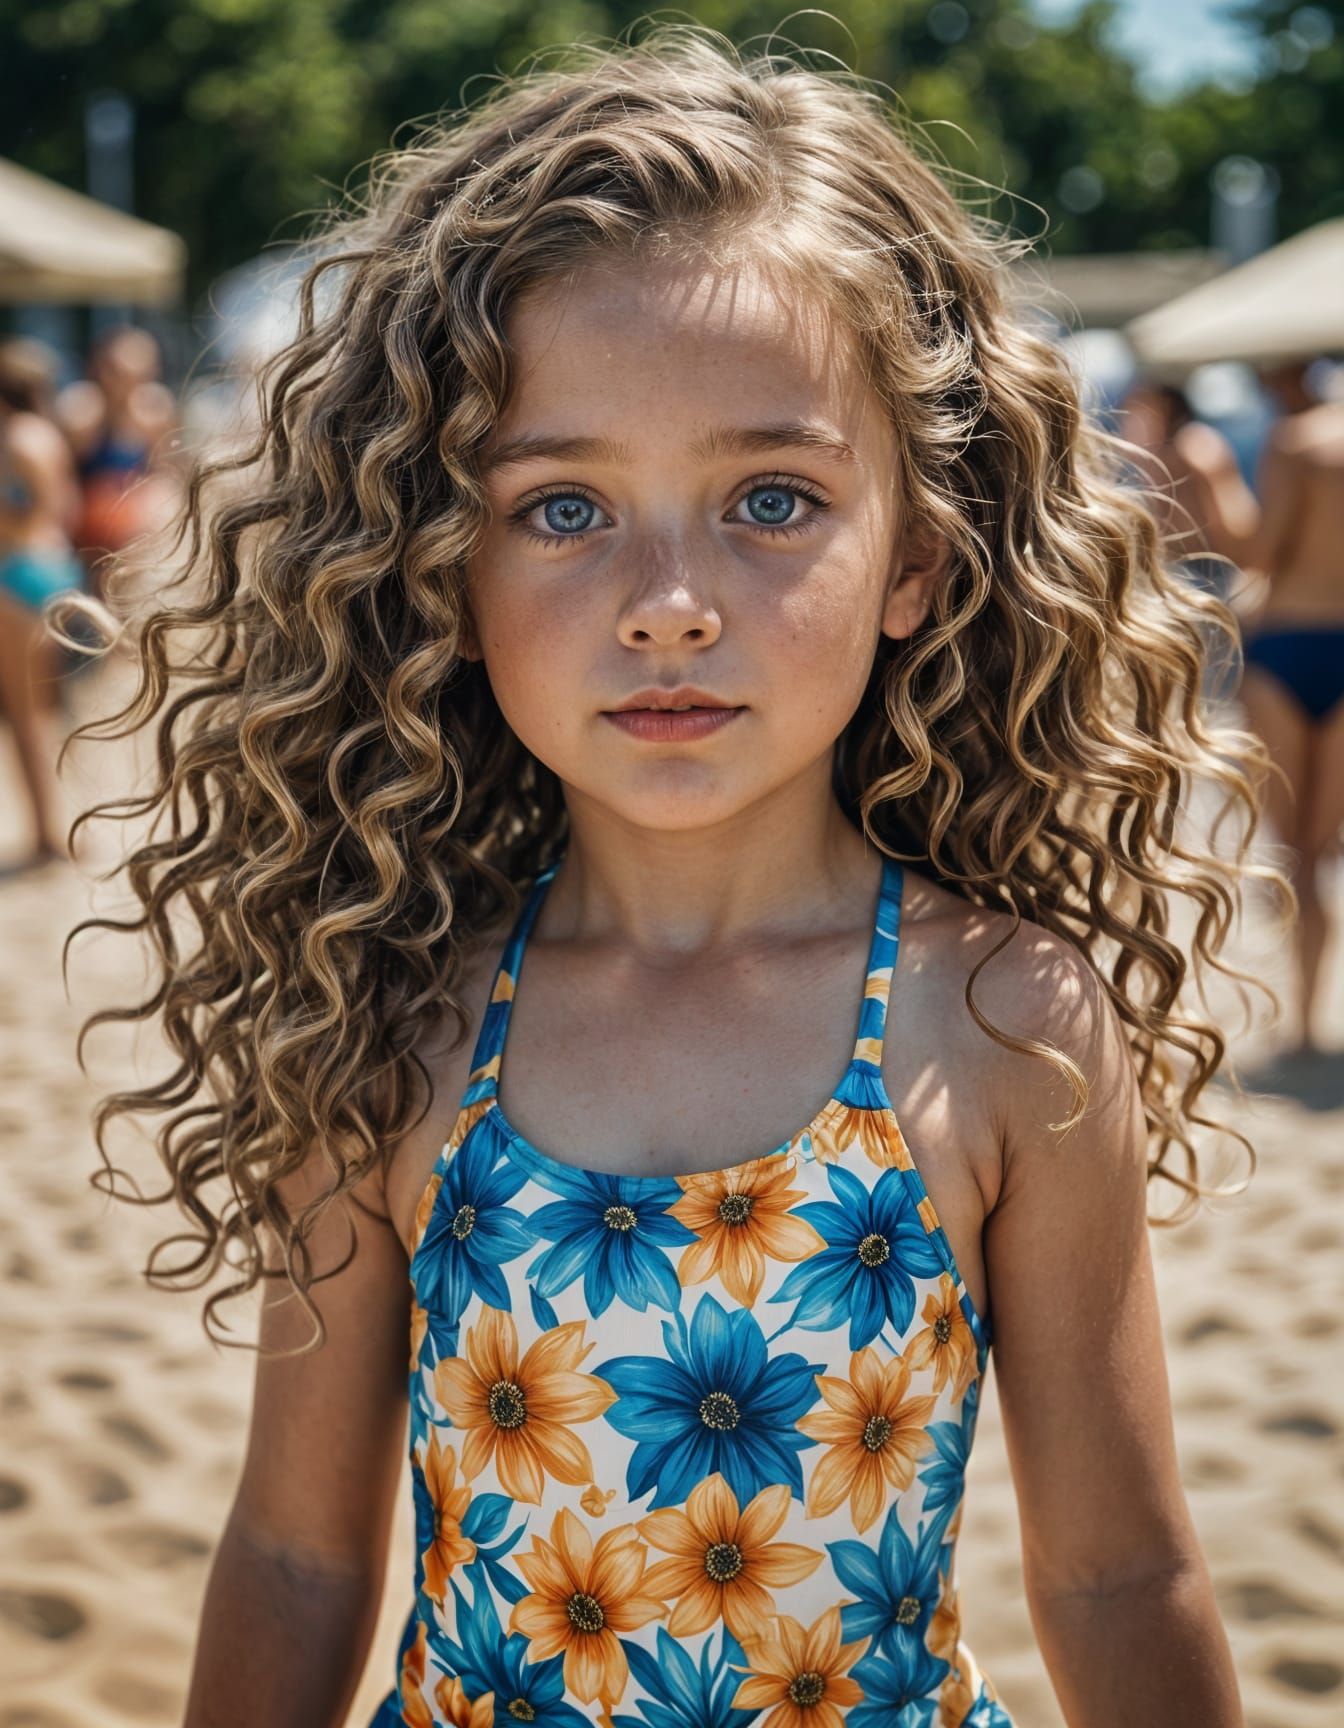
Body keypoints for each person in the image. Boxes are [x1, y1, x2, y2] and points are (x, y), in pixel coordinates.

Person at [64, 28, 1270, 1728]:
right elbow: (291, 1554)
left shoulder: (1005, 1016)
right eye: (560, 509)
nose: (668, 601)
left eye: (768, 498)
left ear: (916, 555)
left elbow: (1113, 1576)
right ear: (438, 561)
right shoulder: (395, 999)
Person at [1234, 356, 1344, 1058]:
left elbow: (1262, 552)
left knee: (1290, 853)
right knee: (1324, 849)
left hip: (1286, 642)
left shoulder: (1294, 441)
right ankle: (1309, 1015)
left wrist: (1214, 489)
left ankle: (1296, 1020)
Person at [1117, 378, 1261, 705]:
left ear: (1165, 406)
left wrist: (1251, 573)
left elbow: (1235, 521)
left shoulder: (1195, 446)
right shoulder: (1160, 451)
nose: (1130, 416)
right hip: (1178, 575)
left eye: (1139, 408)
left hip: (1205, 576)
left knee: (1206, 695)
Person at [0, 338, 85, 867]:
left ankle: (46, 835)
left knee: (24, 715)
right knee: (49, 712)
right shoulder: (48, 434)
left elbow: (28, 513)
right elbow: (65, 507)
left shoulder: (14, 438)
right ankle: (60, 825)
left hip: (17, 573)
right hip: (55, 568)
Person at [55, 323, 177, 602]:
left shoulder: (155, 411)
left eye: (137, 373)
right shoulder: (79, 411)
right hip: (86, 533)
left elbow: (165, 475)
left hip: (133, 534)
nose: (124, 381)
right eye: (117, 371)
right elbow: (62, 479)